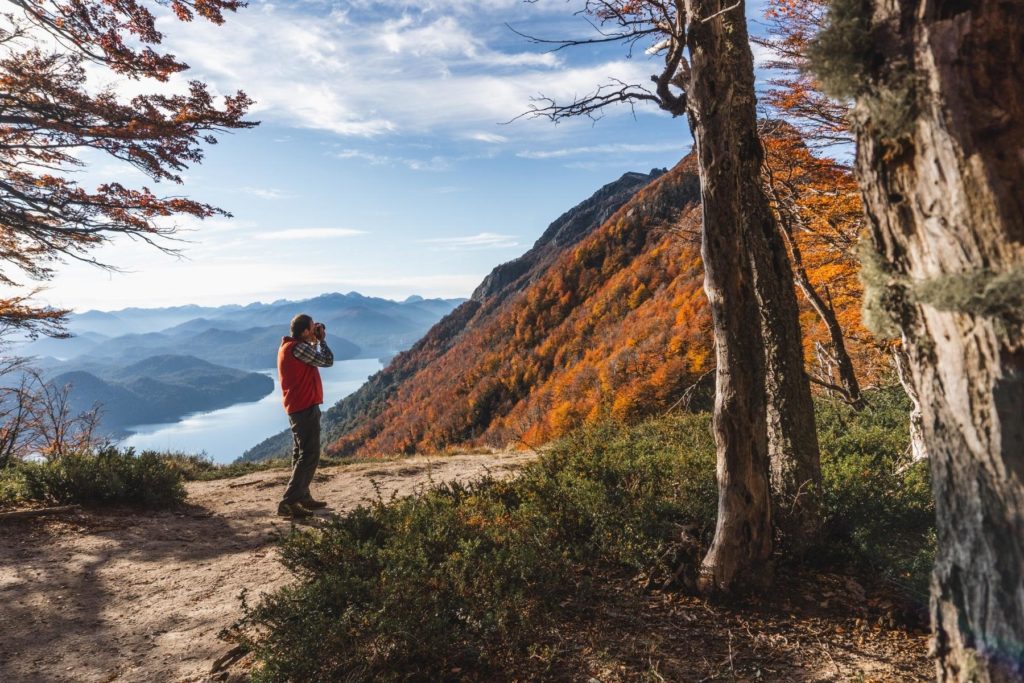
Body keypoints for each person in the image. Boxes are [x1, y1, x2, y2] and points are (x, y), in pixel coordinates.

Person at [277, 313, 334, 518]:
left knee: (300, 454)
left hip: (297, 406)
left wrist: (314, 340)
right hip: (304, 407)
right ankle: (289, 501)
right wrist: (322, 341)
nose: (315, 330)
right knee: (309, 454)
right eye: (312, 327)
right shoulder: (298, 348)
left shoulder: (290, 347)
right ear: (304, 331)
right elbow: (327, 361)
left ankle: (302, 496)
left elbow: (312, 359)